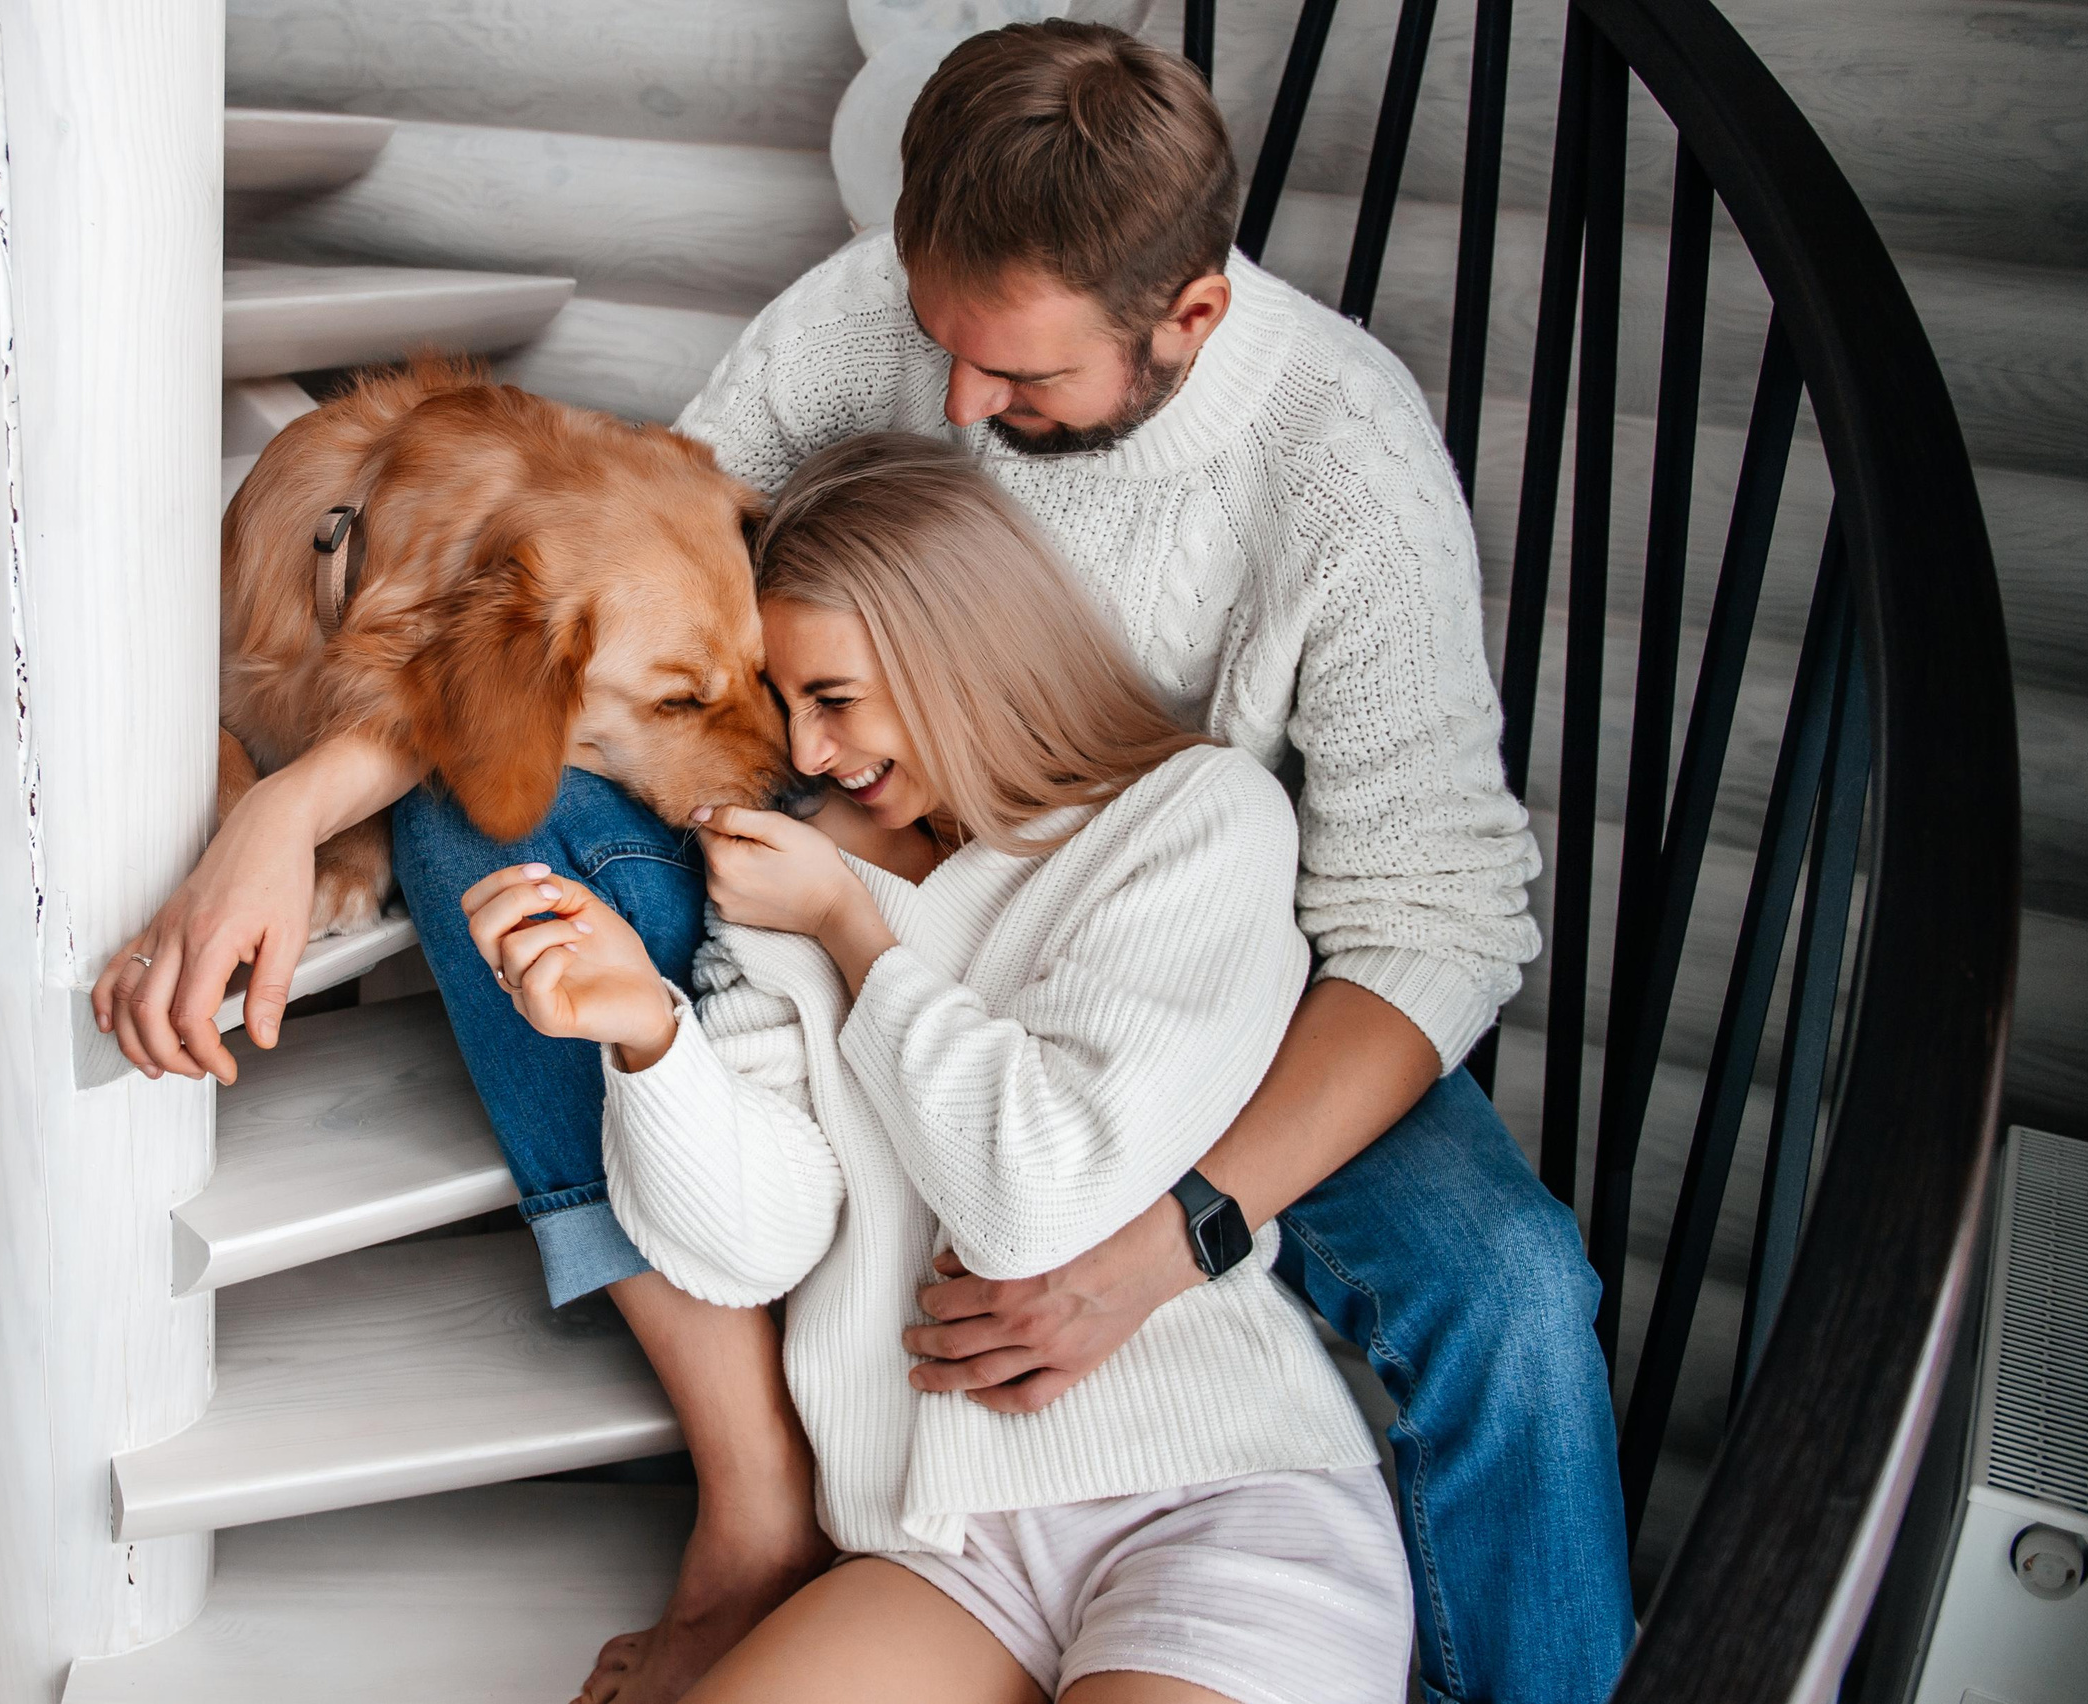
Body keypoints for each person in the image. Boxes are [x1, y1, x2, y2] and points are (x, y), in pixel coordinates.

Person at [94, 21, 1630, 1704]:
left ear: (1189, 316)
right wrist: (292, 804)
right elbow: (605, 599)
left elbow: (1435, 910)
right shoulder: (860, 325)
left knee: (1510, 1285)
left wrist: (1171, 1234)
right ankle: (756, 1485)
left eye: (1022, 383)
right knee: (493, 811)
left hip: (1178, 981)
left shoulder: (1340, 463)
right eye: (937, 340)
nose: (957, 406)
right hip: (861, 891)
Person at [469, 432, 1414, 1704]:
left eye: (835, 699)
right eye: (781, 698)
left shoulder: (1192, 821)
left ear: (956, 652)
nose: (802, 756)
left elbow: (1037, 1193)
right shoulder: (784, 886)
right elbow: (756, 1246)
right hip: (934, 1549)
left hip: (1210, 1497)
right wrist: (649, 1038)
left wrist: (859, 935)